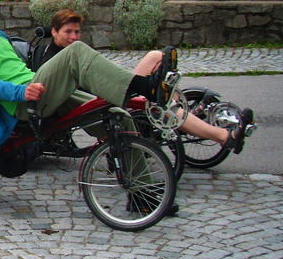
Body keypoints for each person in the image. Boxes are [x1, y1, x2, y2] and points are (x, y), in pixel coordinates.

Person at [0, 0, 183, 150]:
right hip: (20, 102)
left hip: (35, 85)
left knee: (116, 115)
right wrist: (22, 92)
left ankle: (143, 190)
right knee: (75, 52)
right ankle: (145, 87)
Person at [33, 9, 255, 154]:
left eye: (77, 32)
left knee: (156, 57)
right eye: (68, 32)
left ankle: (170, 97)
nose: (73, 37)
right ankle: (224, 136)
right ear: (54, 32)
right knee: (165, 109)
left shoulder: (72, 52)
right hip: (99, 102)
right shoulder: (52, 60)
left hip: (109, 92)